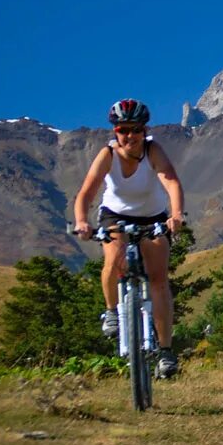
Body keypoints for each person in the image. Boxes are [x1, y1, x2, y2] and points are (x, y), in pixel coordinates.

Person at [73, 99, 186, 379]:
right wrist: (82, 222)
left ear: (144, 130)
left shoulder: (153, 150)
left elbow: (170, 181)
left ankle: (165, 352)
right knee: (113, 259)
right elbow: (86, 193)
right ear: (115, 131)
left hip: (153, 217)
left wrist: (177, 215)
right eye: (124, 130)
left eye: (136, 130)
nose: (130, 136)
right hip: (115, 216)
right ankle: (112, 311)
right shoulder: (107, 155)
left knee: (159, 281)